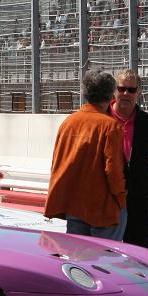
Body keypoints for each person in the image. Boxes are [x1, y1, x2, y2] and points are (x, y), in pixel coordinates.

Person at [44, 69, 127, 240]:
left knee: (78, 259)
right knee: (105, 260)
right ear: (111, 95)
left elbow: (57, 163)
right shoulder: (111, 126)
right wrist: (121, 198)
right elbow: (113, 171)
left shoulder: (69, 122)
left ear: (85, 92)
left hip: (75, 205)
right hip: (103, 208)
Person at [110, 70, 148, 248]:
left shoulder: (147, 122)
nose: (125, 94)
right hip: (108, 199)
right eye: (121, 88)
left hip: (138, 201)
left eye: (131, 90)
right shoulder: (102, 118)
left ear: (138, 93)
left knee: (138, 259)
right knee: (106, 256)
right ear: (114, 90)